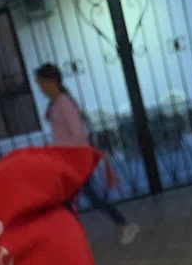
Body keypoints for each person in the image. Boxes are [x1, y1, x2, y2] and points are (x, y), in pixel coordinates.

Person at [34, 63, 138, 245]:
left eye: (42, 83)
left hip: (74, 161)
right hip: (66, 161)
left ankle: (122, 225)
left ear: (52, 81)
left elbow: (78, 134)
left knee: (88, 198)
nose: (40, 88)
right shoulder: (56, 104)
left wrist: (64, 153)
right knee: (72, 200)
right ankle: (75, 237)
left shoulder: (64, 103)